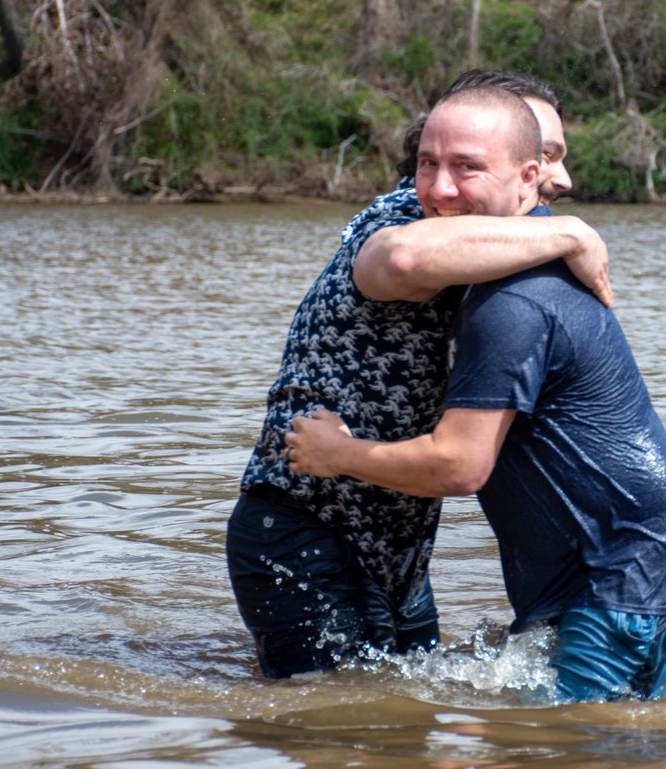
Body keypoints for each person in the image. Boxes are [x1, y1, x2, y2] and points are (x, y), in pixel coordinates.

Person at [285, 87, 666, 703]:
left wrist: (338, 455)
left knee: (561, 746)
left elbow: (459, 464)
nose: (440, 189)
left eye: (467, 168)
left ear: (528, 178)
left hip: (630, 579)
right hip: (632, 569)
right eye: (427, 164)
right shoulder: (506, 255)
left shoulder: (513, 301)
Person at [227, 73, 609, 679]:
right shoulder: (406, 216)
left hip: (398, 546)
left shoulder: (495, 235)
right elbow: (405, 259)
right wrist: (569, 230)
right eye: (547, 156)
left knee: (403, 722)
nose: (561, 179)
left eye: (555, 157)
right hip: (305, 520)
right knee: (333, 726)